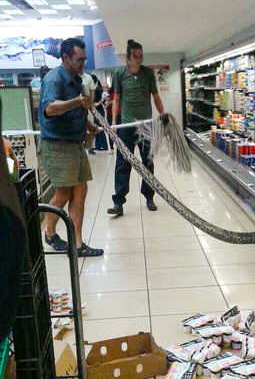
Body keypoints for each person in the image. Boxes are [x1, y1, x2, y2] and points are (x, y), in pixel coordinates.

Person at [38, 38, 104, 257]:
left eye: (84, 59)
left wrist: (88, 125)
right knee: (64, 193)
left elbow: (79, 109)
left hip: (76, 144)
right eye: (79, 59)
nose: (83, 63)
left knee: (80, 191)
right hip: (58, 145)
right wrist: (77, 102)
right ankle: (49, 234)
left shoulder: (77, 80)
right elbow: (50, 109)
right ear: (65, 57)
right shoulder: (53, 79)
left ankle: (77, 244)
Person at [107, 39, 165, 216]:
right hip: (126, 126)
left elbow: (155, 96)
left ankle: (149, 196)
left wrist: (163, 116)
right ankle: (118, 203)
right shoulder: (119, 74)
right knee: (122, 164)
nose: (139, 60)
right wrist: (114, 123)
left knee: (148, 162)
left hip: (145, 126)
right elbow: (116, 99)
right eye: (136, 57)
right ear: (128, 57)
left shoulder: (148, 73)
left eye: (141, 57)